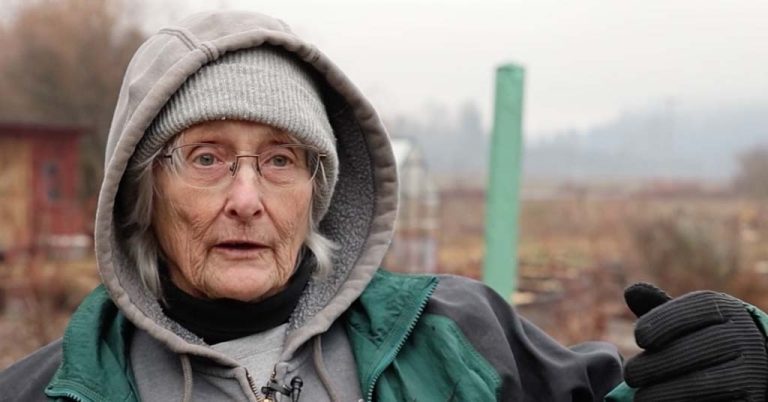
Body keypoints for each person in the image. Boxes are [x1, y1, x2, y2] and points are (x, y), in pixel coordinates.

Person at [1, 10, 766, 402]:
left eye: (280, 159)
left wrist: (751, 363)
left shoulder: (457, 336)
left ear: (319, 190)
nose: (246, 199)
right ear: (144, 187)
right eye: (206, 159)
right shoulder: (51, 390)